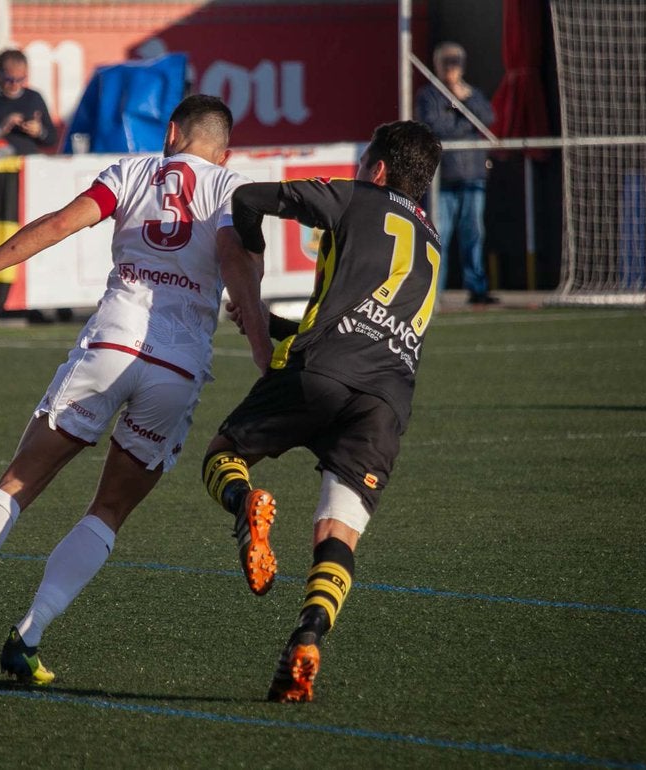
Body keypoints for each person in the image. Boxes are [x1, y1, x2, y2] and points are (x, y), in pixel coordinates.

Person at [0, 95, 257, 685]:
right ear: (223, 150)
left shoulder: (132, 172)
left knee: (17, 483)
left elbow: (58, 224)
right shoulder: (232, 189)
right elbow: (234, 262)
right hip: (176, 369)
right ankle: (27, 637)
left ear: (172, 133)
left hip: (110, 346)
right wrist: (258, 335)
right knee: (107, 510)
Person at [201, 119, 443, 703]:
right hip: (386, 401)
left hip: (323, 373)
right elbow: (370, 325)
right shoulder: (433, 242)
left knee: (224, 454)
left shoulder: (356, 196)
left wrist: (251, 279)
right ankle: (307, 637)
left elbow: (248, 197)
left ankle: (245, 502)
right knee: (338, 532)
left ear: (378, 170)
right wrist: (280, 326)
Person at [415, 42, 497, 305]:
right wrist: (461, 118)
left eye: (456, 63)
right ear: (437, 65)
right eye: (447, 62)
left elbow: (487, 117)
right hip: (443, 178)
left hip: (473, 175)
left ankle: (477, 288)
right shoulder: (429, 96)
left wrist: (464, 99)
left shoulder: (471, 94)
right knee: (440, 236)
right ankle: (434, 293)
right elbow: (436, 127)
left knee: (474, 234)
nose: (452, 68)